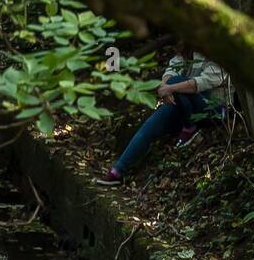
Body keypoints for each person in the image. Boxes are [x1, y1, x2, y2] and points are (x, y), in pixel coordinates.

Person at [96, 47, 229, 185]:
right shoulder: (189, 48)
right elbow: (173, 68)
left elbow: (204, 82)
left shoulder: (222, 51)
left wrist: (170, 88)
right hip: (185, 104)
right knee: (152, 124)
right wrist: (165, 87)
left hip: (214, 109)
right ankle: (117, 171)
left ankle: (189, 126)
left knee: (175, 82)